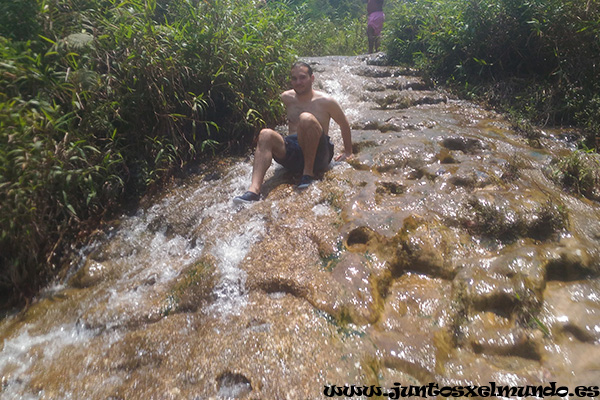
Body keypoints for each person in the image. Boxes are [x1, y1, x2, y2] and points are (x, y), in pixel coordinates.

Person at [233, 61, 352, 204]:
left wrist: (348, 151)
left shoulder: (326, 101)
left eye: (302, 77)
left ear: (312, 78)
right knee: (265, 134)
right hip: (294, 152)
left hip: (319, 155)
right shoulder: (286, 98)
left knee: (305, 118)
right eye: (294, 78)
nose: (298, 82)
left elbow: (344, 123)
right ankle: (253, 191)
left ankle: (307, 175)